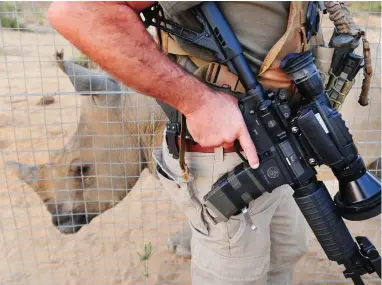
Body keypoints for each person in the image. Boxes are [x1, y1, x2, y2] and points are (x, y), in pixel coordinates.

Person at [47, 2, 349, 284]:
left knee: (284, 254)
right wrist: (198, 103)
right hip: (226, 150)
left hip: (282, 140)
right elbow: (77, 11)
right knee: (235, 273)